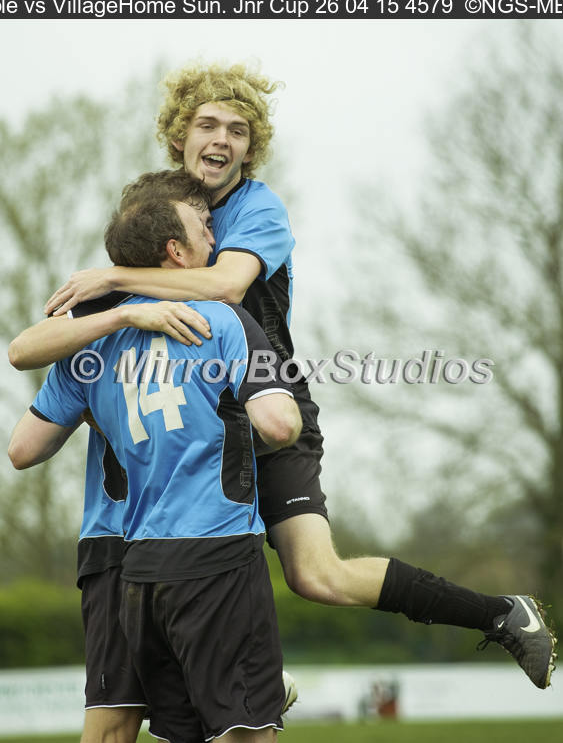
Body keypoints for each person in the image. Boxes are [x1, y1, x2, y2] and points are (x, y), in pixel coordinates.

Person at [11, 62, 556, 691]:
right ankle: (259, 679)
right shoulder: (157, 211)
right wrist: (114, 313)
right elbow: (32, 351)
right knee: (167, 553)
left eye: (238, 130)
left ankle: (499, 613)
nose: (222, 139)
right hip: (187, 414)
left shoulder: (257, 208)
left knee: (315, 575)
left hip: (266, 397)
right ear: (179, 135)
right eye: (208, 124)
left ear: (252, 146)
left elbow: (226, 284)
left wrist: (111, 276)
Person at [9, 173, 303, 743]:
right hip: (216, 550)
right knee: (243, 730)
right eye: (204, 229)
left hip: (137, 565)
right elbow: (280, 424)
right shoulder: (221, 317)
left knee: (146, 729)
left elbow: (22, 449)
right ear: (175, 251)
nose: (215, 240)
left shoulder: (88, 345)